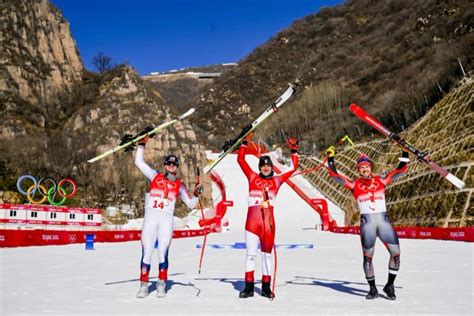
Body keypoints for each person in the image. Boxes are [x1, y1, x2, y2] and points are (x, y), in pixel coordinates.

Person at [326, 146, 409, 300]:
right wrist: (330, 158)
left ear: (370, 167)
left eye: (367, 167)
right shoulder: (354, 184)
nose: (364, 169)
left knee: (396, 254)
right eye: (361, 168)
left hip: (383, 222)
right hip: (368, 224)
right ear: (358, 170)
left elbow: (401, 170)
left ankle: (389, 285)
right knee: (368, 258)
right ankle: (372, 289)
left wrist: (404, 152)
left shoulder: (381, 181)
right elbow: (334, 176)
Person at [134, 131, 202, 298]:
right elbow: (139, 162)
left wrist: (197, 194)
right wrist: (141, 145)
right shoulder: (155, 176)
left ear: (177, 167)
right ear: (165, 165)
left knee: (162, 251)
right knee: (147, 250)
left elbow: (191, 204)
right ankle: (144, 284)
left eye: (174, 164)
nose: (171, 166)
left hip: (166, 220)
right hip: (151, 218)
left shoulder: (179, 185)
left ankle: (161, 283)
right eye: (169, 164)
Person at [237, 133, 299, 299]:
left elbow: (293, 168)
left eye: (268, 165)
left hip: (268, 224)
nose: (266, 167)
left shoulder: (277, 181)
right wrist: (244, 143)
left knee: (267, 255)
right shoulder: (252, 178)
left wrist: (294, 150)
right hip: (252, 223)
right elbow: (241, 161)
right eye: (263, 165)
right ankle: (248, 287)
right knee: (250, 254)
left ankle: (265, 287)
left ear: (271, 167)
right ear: (259, 167)